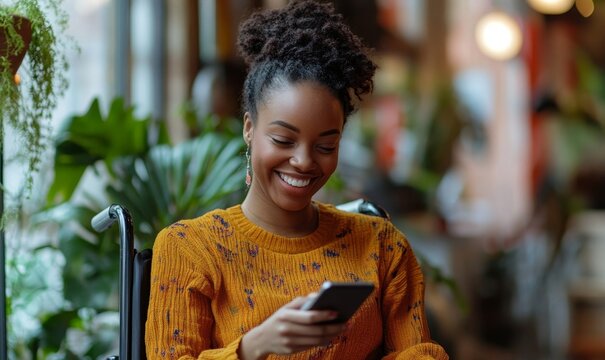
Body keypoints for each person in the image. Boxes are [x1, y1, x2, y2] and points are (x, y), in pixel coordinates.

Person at [145, 1, 449, 359]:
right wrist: (252, 348)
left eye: (325, 145)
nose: (304, 161)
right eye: (283, 141)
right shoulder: (190, 249)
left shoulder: (382, 247)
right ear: (248, 129)